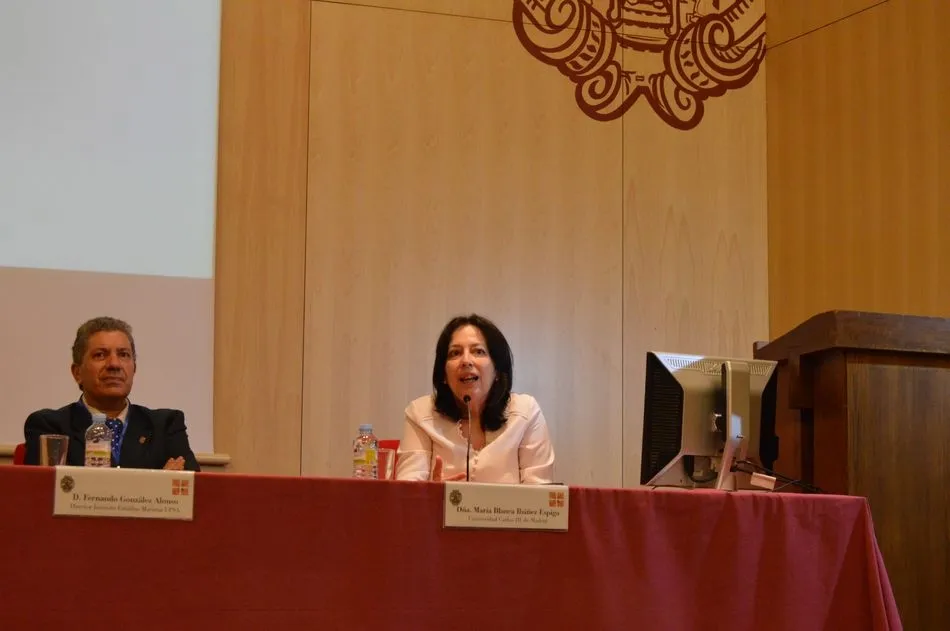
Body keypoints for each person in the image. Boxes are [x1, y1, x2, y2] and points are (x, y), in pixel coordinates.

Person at [23, 316, 200, 471]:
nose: (114, 364)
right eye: (100, 355)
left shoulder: (166, 425)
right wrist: (159, 483)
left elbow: (193, 489)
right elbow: (46, 491)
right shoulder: (49, 427)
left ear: (134, 369)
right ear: (77, 373)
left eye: (123, 354)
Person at [395, 314, 554, 484]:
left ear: (497, 370)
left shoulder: (526, 412)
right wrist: (429, 494)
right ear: (443, 374)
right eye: (455, 353)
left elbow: (541, 492)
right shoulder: (420, 414)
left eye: (478, 351)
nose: (466, 361)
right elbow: (407, 490)